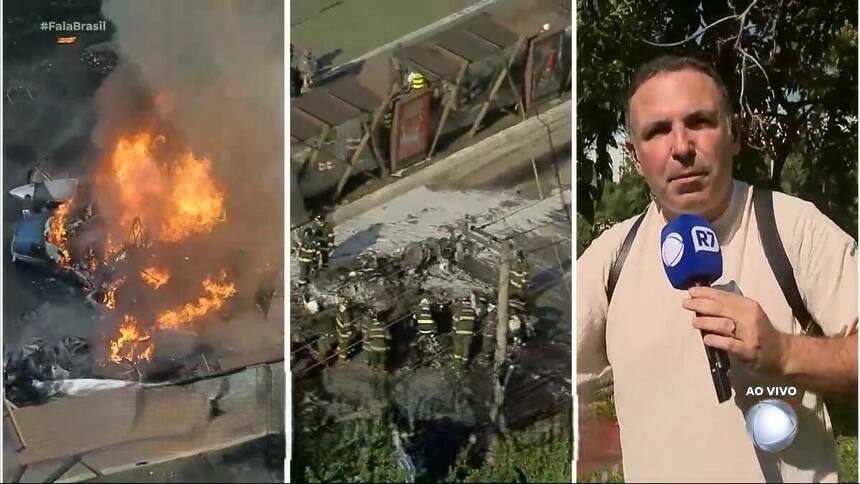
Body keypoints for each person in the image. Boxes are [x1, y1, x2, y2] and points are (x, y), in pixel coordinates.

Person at [577, 55, 857, 482]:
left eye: (700, 122)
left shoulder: (792, 227)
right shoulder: (610, 260)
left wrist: (785, 353)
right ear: (634, 157)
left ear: (735, 133)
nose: (682, 147)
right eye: (657, 131)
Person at [452, 296, 477, 364]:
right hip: (469, 332)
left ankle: (457, 360)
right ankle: (464, 361)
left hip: (459, 331)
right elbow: (475, 320)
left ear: (464, 303)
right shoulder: (473, 311)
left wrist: (454, 330)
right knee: (466, 347)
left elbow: (455, 321)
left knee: (458, 345)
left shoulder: (459, 310)